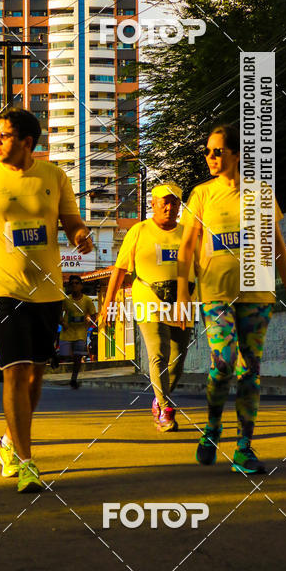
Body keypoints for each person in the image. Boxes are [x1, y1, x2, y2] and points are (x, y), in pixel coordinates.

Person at [0, 108, 93, 493]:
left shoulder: (54, 176)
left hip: (48, 290)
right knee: (15, 369)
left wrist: (80, 235)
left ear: (27, 142)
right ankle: (27, 462)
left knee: (35, 375)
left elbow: (71, 221)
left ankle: (10, 440)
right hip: (3, 290)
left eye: (5, 136)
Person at [176, 123, 286, 474]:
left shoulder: (260, 193)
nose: (210, 157)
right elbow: (186, 247)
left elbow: (277, 245)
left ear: (235, 154)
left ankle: (244, 448)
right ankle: (212, 426)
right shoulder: (202, 195)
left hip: (258, 294)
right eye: (207, 151)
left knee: (251, 371)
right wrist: (183, 292)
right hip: (215, 294)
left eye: (217, 151)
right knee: (224, 363)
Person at [99, 183, 196, 432]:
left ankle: (158, 398)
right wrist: (108, 304)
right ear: (153, 204)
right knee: (158, 354)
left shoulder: (188, 233)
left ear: (179, 206)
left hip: (183, 301)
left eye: (174, 202)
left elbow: (202, 268)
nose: (169, 207)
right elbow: (120, 269)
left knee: (177, 361)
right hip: (148, 299)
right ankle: (165, 409)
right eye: (164, 202)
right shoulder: (139, 231)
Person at [60, 275, 96, 389]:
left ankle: (73, 379)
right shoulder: (66, 300)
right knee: (64, 355)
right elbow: (58, 314)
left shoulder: (87, 300)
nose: (74, 285)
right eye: (72, 283)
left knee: (77, 357)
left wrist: (88, 325)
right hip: (67, 333)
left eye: (77, 283)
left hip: (80, 334)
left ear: (81, 285)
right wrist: (63, 323)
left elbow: (94, 315)